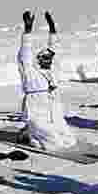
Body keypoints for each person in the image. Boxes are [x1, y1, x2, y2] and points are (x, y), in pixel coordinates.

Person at [18, 10, 78, 151]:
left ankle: (31, 132)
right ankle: (30, 135)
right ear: (38, 59)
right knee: (54, 144)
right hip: (35, 109)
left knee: (69, 140)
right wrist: (27, 31)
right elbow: (24, 53)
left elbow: (55, 48)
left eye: (49, 58)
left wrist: (52, 27)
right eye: (44, 58)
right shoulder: (29, 69)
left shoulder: (52, 71)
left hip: (50, 110)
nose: (48, 60)